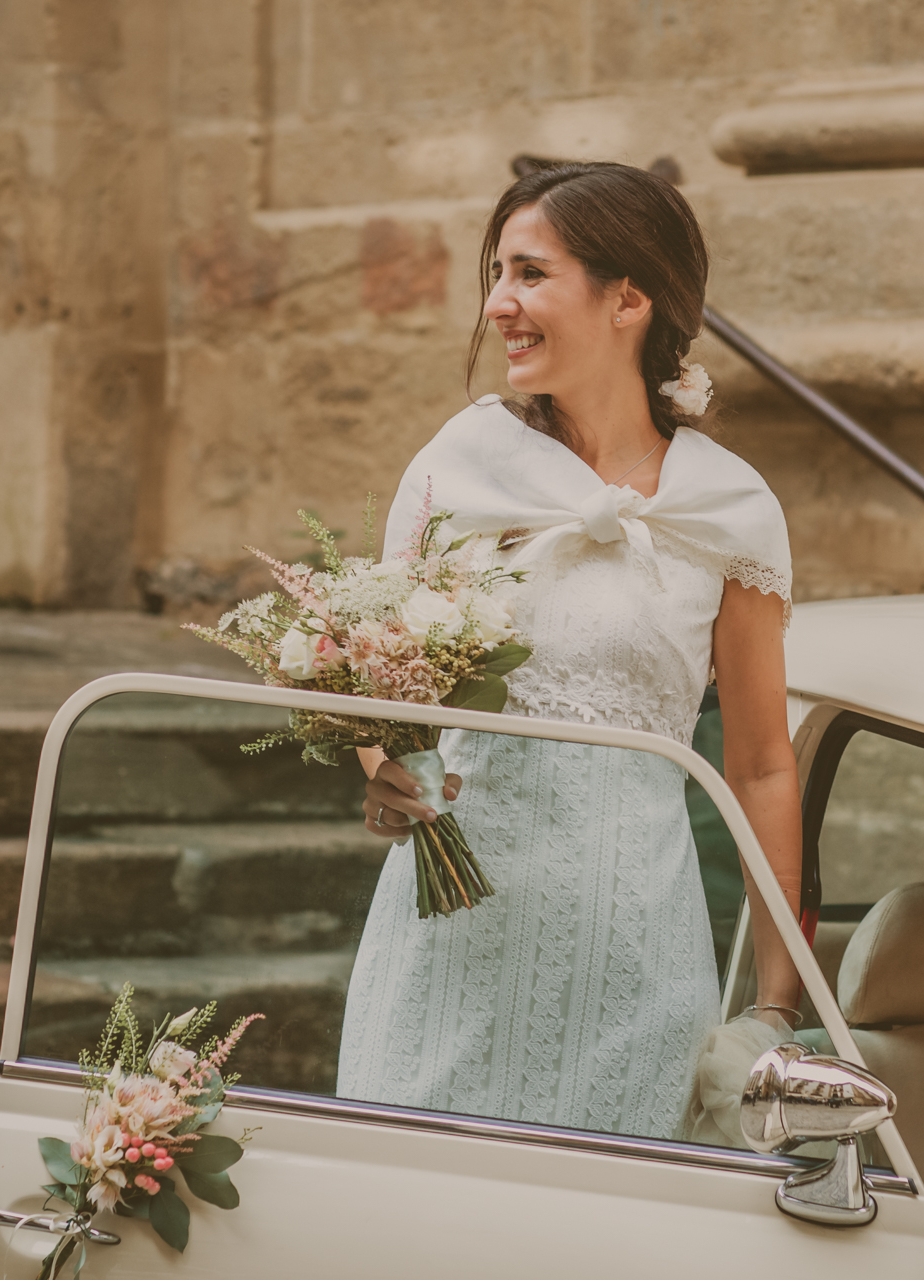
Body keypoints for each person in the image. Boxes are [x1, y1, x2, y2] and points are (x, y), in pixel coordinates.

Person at [334, 162, 803, 1141]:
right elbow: (381, 688)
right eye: (497, 272)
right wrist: (384, 767)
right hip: (450, 939)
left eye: (531, 274)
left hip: (634, 953)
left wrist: (777, 1004)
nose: (500, 302)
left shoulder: (732, 508)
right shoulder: (455, 465)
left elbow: (760, 762)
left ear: (628, 296)